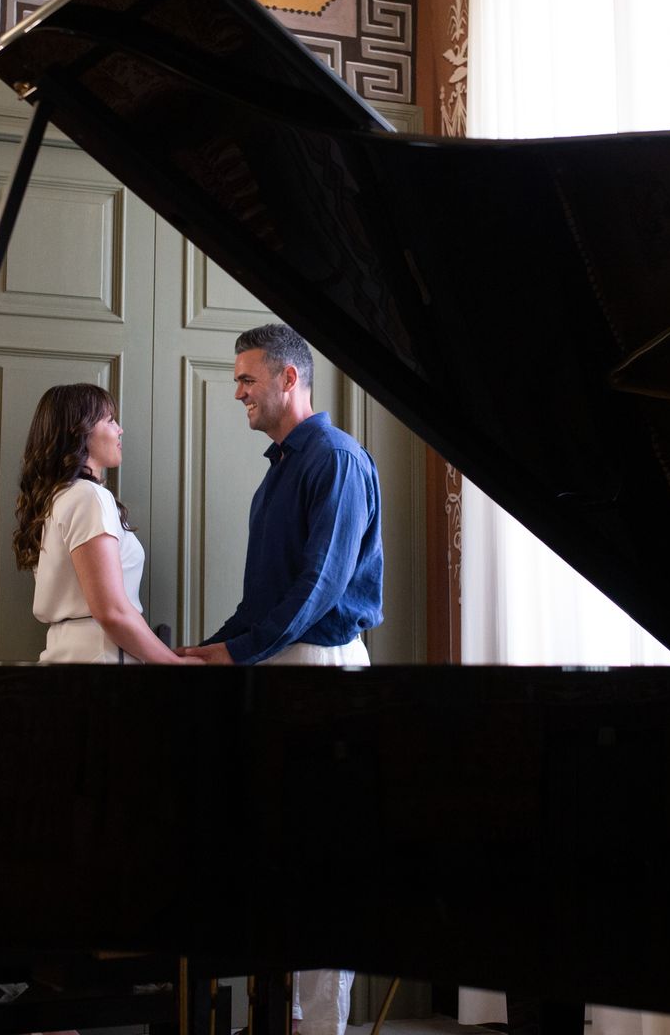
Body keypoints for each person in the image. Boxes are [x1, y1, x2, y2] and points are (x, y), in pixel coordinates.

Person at [180, 322, 382, 1035]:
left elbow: (320, 588)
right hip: (281, 666)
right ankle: (280, 1020)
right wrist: (207, 651)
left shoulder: (336, 460)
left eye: (246, 378)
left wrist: (237, 654)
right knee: (278, 858)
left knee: (321, 867)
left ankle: (315, 1030)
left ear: (288, 379)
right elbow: (263, 599)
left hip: (323, 671)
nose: (237, 391)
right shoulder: (282, 470)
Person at [13, 383, 195, 665]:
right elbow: (112, 611)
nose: (120, 430)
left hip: (67, 656)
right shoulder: (88, 496)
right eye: (110, 421)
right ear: (80, 431)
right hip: (102, 660)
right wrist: (176, 665)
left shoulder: (57, 499)